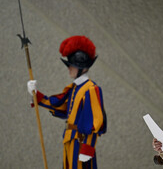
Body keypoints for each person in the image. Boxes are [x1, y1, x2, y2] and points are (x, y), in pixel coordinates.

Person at [27, 35, 107, 169]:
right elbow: (61, 107)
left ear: (82, 67)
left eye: (72, 66)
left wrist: (88, 148)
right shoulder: (74, 89)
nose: (69, 68)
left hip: (81, 143)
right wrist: (35, 94)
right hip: (69, 140)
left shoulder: (91, 89)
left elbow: (95, 122)